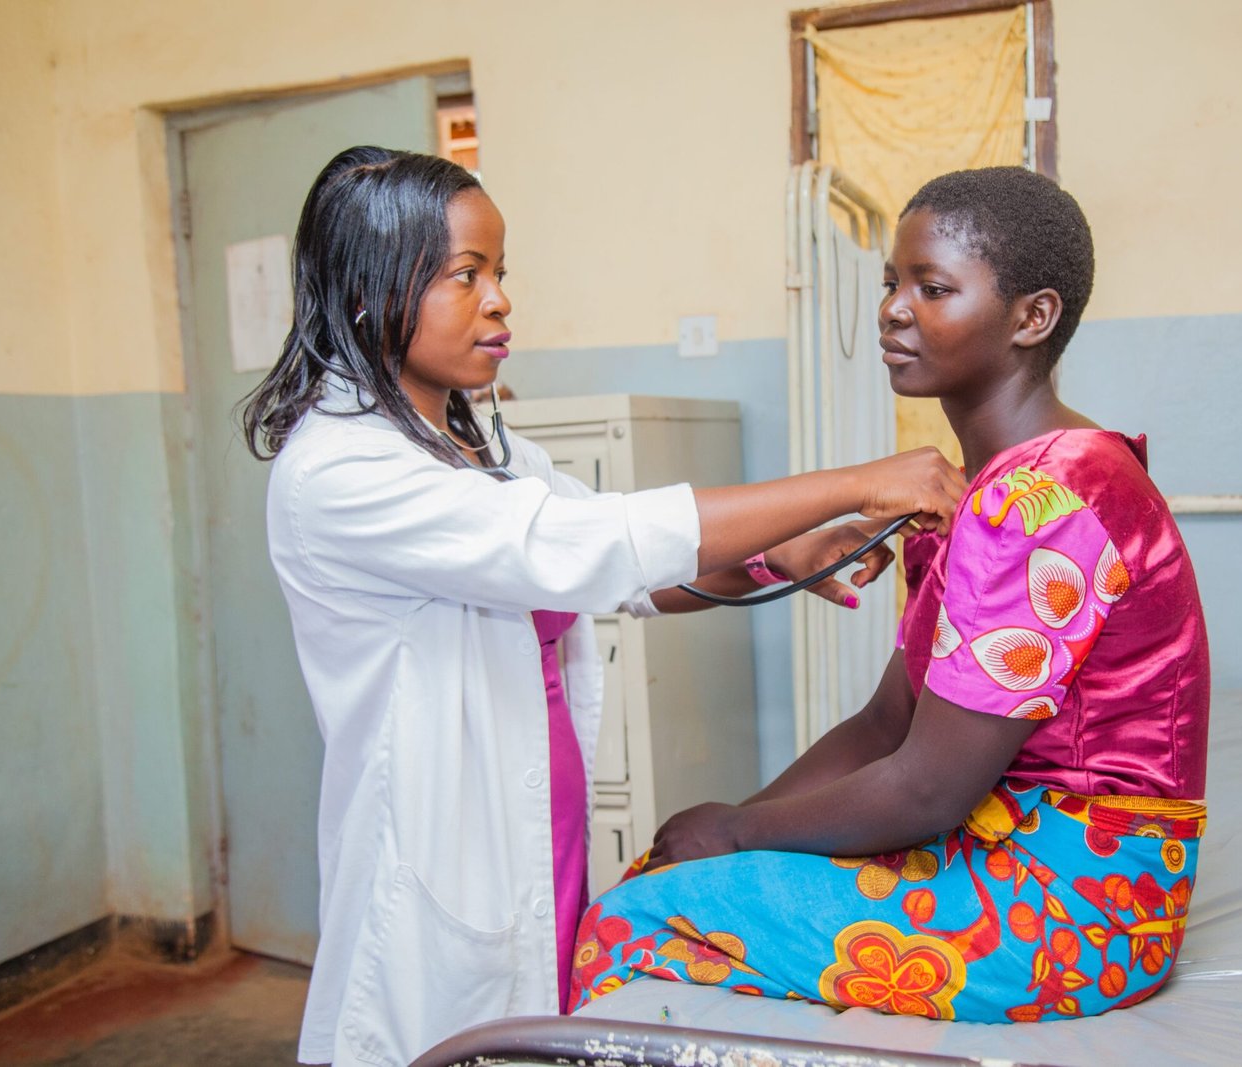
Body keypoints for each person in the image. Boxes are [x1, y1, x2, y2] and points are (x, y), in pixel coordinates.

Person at [240, 146, 965, 1067]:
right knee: (441, 1043)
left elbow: (615, 569)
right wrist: (856, 483)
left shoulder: (478, 443)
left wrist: (772, 556)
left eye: (500, 273)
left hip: (543, 834)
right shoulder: (341, 468)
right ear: (369, 292)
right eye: (467, 275)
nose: (501, 299)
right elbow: (573, 546)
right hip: (439, 865)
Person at [570, 167, 1210, 1024]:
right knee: (672, 872)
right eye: (890, 282)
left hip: (1080, 910)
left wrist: (732, 834)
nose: (893, 309)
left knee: (622, 923)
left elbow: (927, 791)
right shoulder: (989, 490)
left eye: (932, 287)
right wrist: (723, 836)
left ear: (1033, 316)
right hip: (1004, 848)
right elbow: (885, 726)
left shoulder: (1044, 502)